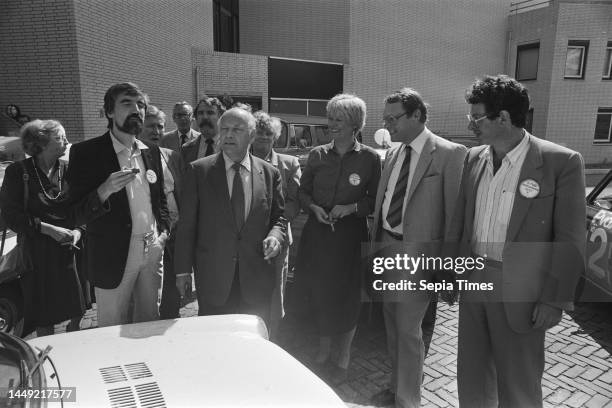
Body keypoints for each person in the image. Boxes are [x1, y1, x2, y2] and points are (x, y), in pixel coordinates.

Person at [449, 75, 585, 407]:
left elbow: (569, 239)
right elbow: (461, 221)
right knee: (472, 377)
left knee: (518, 386)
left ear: (504, 118)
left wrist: (555, 300)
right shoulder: (473, 158)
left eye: (477, 117)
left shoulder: (560, 162)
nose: (470, 124)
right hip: (474, 281)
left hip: (522, 292)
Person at [369, 88, 467, 408]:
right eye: (385, 119)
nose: (387, 125)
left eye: (393, 118)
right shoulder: (394, 153)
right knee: (391, 325)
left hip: (420, 258)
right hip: (386, 248)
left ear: (416, 116)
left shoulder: (451, 154)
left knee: (408, 330)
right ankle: (397, 387)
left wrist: (449, 268)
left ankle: (408, 400)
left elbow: (455, 216)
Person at [65, 82, 170, 327]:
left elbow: (160, 198)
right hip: (113, 253)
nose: (137, 109)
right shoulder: (86, 153)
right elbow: (72, 214)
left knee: (149, 320)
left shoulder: (151, 151)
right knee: (112, 325)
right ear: (109, 112)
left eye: (141, 105)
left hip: (153, 247)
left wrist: (164, 232)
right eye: (127, 103)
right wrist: (105, 190)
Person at [296, 93, 381, 381]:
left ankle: (343, 355)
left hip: (350, 237)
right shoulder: (317, 155)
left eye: (338, 119)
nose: (331, 123)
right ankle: (323, 350)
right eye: (330, 117)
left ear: (355, 124)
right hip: (319, 235)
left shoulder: (369, 158)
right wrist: (314, 208)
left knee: (348, 297)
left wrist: (353, 207)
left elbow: (375, 200)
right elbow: (303, 192)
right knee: (321, 294)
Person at [174, 107, 286, 325]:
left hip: (255, 277)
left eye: (237, 129)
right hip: (214, 278)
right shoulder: (199, 171)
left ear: (252, 136)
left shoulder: (270, 174)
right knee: (214, 342)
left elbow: (279, 218)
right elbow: (187, 225)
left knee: (251, 342)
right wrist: (182, 272)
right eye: (224, 129)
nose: (229, 134)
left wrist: (275, 236)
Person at [0, 120, 86, 336]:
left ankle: (74, 350)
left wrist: (78, 231)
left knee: (77, 311)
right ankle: (46, 360)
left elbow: (82, 208)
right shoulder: (17, 172)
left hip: (70, 251)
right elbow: (11, 216)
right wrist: (49, 230)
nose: (67, 142)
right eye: (60, 137)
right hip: (37, 254)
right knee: (43, 318)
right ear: (40, 142)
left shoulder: (69, 169)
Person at [251, 111, 301, 340]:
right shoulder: (240, 160)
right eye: (259, 133)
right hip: (246, 241)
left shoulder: (289, 164)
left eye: (268, 134)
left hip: (278, 241)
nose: (263, 138)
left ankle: (273, 340)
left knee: (275, 294)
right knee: (248, 291)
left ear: (276, 137)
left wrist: (275, 229)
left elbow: (294, 202)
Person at [138, 105, 185, 319]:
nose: (156, 131)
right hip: (147, 236)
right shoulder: (132, 158)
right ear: (139, 127)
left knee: (171, 293)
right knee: (145, 294)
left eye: (160, 126)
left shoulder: (171, 156)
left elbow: (181, 192)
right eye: (150, 126)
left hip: (173, 235)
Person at [181, 96, 226, 163]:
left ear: (221, 117)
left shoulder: (230, 146)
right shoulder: (186, 149)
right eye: (200, 113)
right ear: (196, 118)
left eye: (210, 113)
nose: (205, 117)